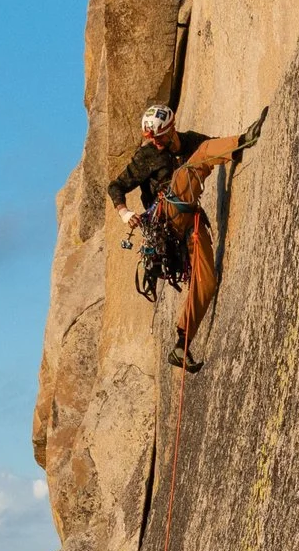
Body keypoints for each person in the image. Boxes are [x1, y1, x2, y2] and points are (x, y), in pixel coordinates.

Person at [105, 103, 265, 368]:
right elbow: (116, 186)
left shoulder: (189, 141)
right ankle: (245, 140)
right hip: (165, 217)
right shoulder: (147, 157)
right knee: (189, 169)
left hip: (189, 219)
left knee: (206, 282)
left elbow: (212, 150)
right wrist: (123, 212)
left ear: (171, 130)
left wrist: (230, 150)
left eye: (158, 137)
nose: (154, 142)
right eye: (150, 138)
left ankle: (182, 344)